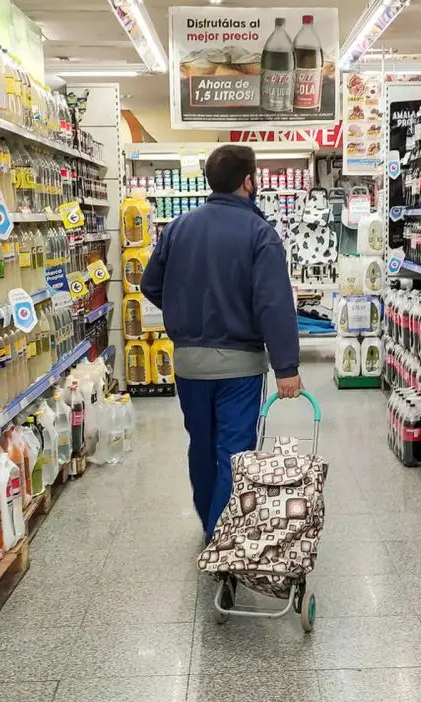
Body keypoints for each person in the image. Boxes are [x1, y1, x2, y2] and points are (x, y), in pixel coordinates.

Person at [140, 144, 302, 542]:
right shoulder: (260, 234)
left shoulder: (178, 227)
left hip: (189, 364)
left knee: (201, 446)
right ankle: (221, 537)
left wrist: (182, 310)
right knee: (235, 451)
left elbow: (150, 284)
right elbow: (273, 304)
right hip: (239, 367)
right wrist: (286, 367)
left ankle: (210, 525)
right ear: (248, 181)